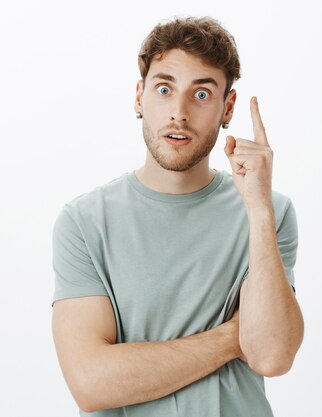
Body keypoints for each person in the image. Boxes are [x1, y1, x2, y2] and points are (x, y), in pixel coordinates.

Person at [51, 16, 304, 417]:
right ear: (140, 96)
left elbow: (272, 355)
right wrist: (234, 337)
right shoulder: (84, 222)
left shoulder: (271, 212)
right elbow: (91, 382)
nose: (179, 113)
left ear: (228, 107)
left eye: (201, 94)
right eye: (165, 89)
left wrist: (258, 209)